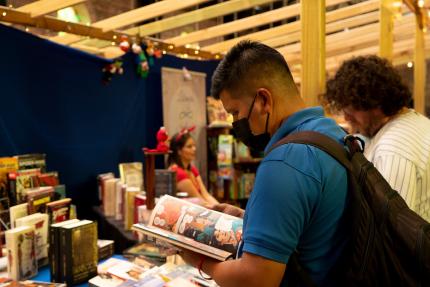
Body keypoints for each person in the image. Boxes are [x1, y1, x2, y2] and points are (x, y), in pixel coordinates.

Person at [181, 40, 350, 287]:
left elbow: (256, 279)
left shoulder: (284, 163)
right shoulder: (331, 133)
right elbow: (309, 221)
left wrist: (199, 261)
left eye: (236, 113)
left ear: (263, 100)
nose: (234, 123)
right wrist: (248, 216)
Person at [322, 55, 430, 222]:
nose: (347, 118)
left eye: (352, 111)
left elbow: (392, 231)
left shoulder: (391, 150)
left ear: (375, 104)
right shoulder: (417, 122)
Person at [168, 129, 219, 206]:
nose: (194, 149)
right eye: (189, 146)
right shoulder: (177, 172)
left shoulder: (192, 169)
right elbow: (199, 200)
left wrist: (222, 208)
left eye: (194, 146)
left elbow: (206, 195)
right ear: (179, 151)